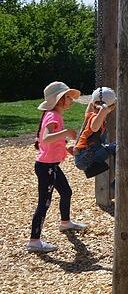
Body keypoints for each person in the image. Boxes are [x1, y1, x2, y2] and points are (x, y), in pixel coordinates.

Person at [27, 82, 88, 253]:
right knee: (43, 203)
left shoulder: (53, 115)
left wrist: (66, 148)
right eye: (67, 97)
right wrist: (67, 132)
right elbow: (46, 139)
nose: (70, 100)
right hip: (46, 167)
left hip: (50, 165)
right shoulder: (53, 116)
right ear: (58, 100)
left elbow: (50, 142)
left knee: (66, 192)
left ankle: (65, 222)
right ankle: (34, 240)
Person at [73, 87, 117, 177]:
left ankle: (97, 168)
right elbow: (94, 128)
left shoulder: (89, 114)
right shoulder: (95, 119)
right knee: (117, 147)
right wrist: (103, 111)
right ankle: (118, 178)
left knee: (108, 147)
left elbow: (91, 104)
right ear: (112, 107)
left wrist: (96, 97)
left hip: (82, 157)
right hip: (85, 158)